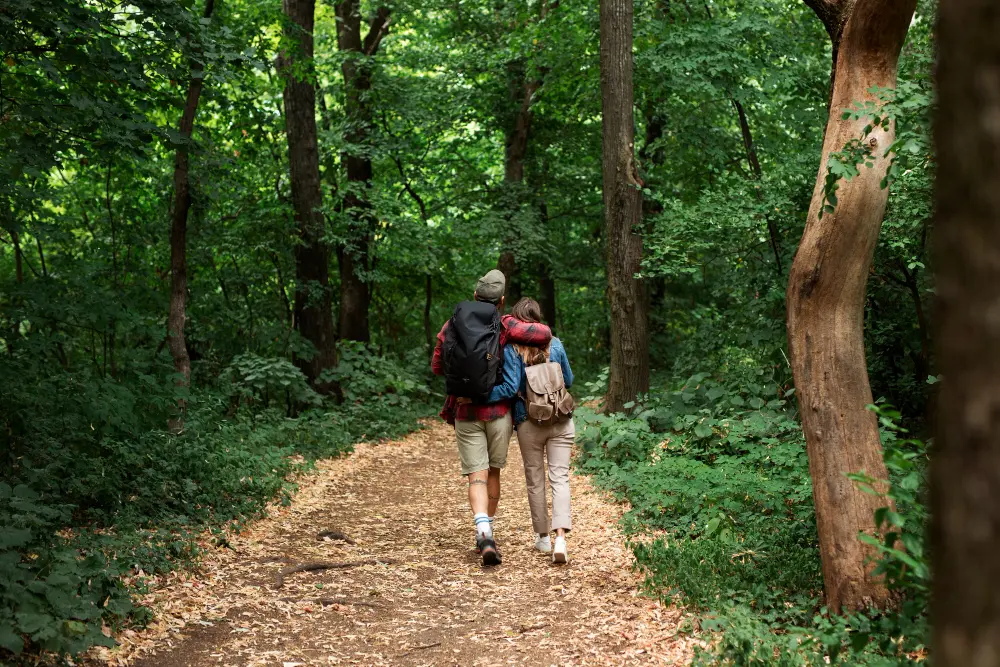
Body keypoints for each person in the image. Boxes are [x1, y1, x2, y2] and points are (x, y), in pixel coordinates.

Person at [431, 270, 552, 566]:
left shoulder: (451, 325)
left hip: (465, 410)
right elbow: (543, 334)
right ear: (501, 300)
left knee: (477, 476)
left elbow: (437, 366)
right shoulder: (505, 324)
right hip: (499, 413)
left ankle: (483, 530)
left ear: (474, 296)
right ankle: (488, 530)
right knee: (494, 472)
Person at [488, 297, 575, 564]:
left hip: (529, 422)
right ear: (538, 318)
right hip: (561, 418)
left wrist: (482, 395)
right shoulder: (556, 343)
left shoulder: (513, 348)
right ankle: (561, 537)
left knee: (535, 480)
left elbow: (512, 387)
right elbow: (568, 380)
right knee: (560, 478)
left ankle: (543, 538)